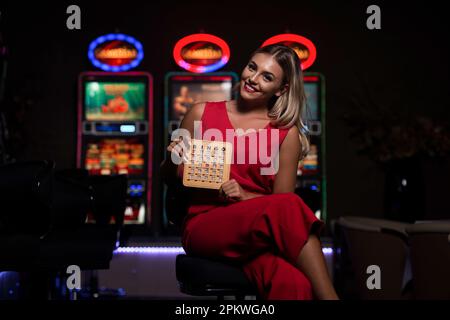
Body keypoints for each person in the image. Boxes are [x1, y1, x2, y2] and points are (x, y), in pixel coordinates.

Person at [161, 44, 339, 300]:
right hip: (205, 225)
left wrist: (244, 195)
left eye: (267, 77)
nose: (253, 79)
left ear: (281, 89)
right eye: (252, 68)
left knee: (295, 283)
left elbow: (282, 205)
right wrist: (172, 157)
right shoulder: (201, 113)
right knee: (290, 207)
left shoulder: (286, 134)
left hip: (257, 237)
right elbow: (168, 178)